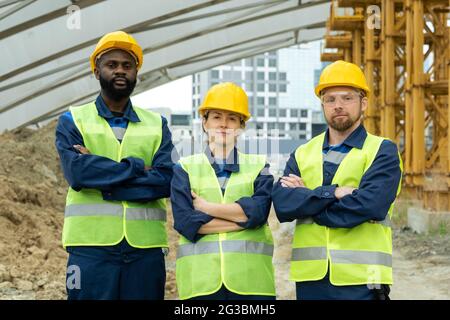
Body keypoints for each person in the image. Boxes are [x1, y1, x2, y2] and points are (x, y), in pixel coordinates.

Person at [55, 31, 175, 300]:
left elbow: (166, 180)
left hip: (145, 250)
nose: (120, 71)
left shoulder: (156, 124)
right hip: (90, 249)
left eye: (127, 65)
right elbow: (78, 172)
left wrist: (107, 184)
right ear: (97, 72)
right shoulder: (73, 120)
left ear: (136, 73)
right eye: (112, 65)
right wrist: (136, 167)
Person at [272, 60, 402, 300]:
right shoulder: (303, 153)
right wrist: (333, 193)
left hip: (363, 280)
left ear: (363, 103)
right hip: (311, 280)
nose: (338, 106)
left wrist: (310, 204)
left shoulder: (382, 151)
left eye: (347, 98)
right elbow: (283, 205)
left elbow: (370, 205)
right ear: (322, 104)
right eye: (330, 99)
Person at [170, 82, 276, 300]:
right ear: (205, 123)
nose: (224, 125)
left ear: (241, 125)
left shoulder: (259, 166)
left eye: (232, 118)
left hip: (251, 283)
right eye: (217, 117)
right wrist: (243, 220)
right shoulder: (185, 167)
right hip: (201, 283)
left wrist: (206, 208)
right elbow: (185, 223)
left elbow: (259, 214)